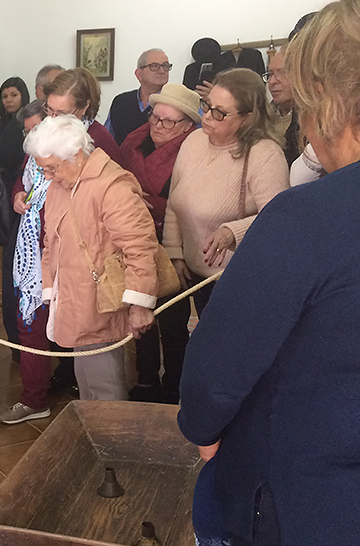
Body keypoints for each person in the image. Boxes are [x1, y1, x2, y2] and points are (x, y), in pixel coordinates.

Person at [179, 1, 360, 543]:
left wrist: (203, 426)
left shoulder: (306, 218)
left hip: (306, 495)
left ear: (327, 103)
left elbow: (217, 370)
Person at [25, 115, 158, 401]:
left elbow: (140, 248)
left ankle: (110, 433)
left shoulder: (111, 185)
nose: (47, 176)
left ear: (76, 155)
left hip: (101, 306)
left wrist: (139, 305)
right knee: (87, 388)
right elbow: (50, 243)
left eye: (51, 168)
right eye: (42, 169)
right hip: (73, 302)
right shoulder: (60, 184)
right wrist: (50, 291)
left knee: (106, 393)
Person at [163, 68, 290, 315]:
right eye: (207, 105)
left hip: (239, 281)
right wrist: (174, 254)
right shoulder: (194, 141)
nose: (207, 116)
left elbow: (277, 222)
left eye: (219, 113)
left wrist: (233, 231)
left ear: (247, 118)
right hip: (196, 277)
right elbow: (173, 203)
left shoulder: (264, 154)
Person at [119, 83, 200, 404]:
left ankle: (175, 383)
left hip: (174, 245)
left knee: (173, 320)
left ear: (186, 126)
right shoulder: (133, 142)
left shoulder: (194, 152)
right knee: (140, 312)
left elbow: (188, 203)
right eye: (155, 117)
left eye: (168, 121)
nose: (157, 125)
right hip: (135, 241)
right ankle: (146, 379)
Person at [0, 101, 74, 423]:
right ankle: (34, 399)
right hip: (31, 260)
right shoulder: (34, 159)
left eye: (36, 129)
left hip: (62, 260)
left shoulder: (67, 162)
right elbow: (22, 181)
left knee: (71, 328)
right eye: (26, 131)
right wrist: (18, 193)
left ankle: (78, 389)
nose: (30, 137)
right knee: (30, 327)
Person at [0, 76, 31, 364]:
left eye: (14, 95)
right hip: (10, 190)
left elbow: (6, 159)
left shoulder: (19, 125)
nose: (8, 100)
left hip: (18, 192)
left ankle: (23, 341)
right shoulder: (4, 124)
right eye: (4, 96)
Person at [44, 68, 124, 167]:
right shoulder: (44, 130)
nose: (53, 119)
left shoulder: (99, 140)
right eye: (50, 109)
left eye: (62, 113)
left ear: (84, 107)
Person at [105, 48, 172, 145]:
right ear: (138, 74)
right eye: (155, 66)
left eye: (165, 66)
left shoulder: (173, 104)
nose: (162, 71)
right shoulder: (120, 102)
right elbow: (107, 140)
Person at [265, 46, 300, 166]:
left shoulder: (313, 122)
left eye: (282, 73)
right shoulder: (262, 118)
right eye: (270, 74)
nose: (272, 82)